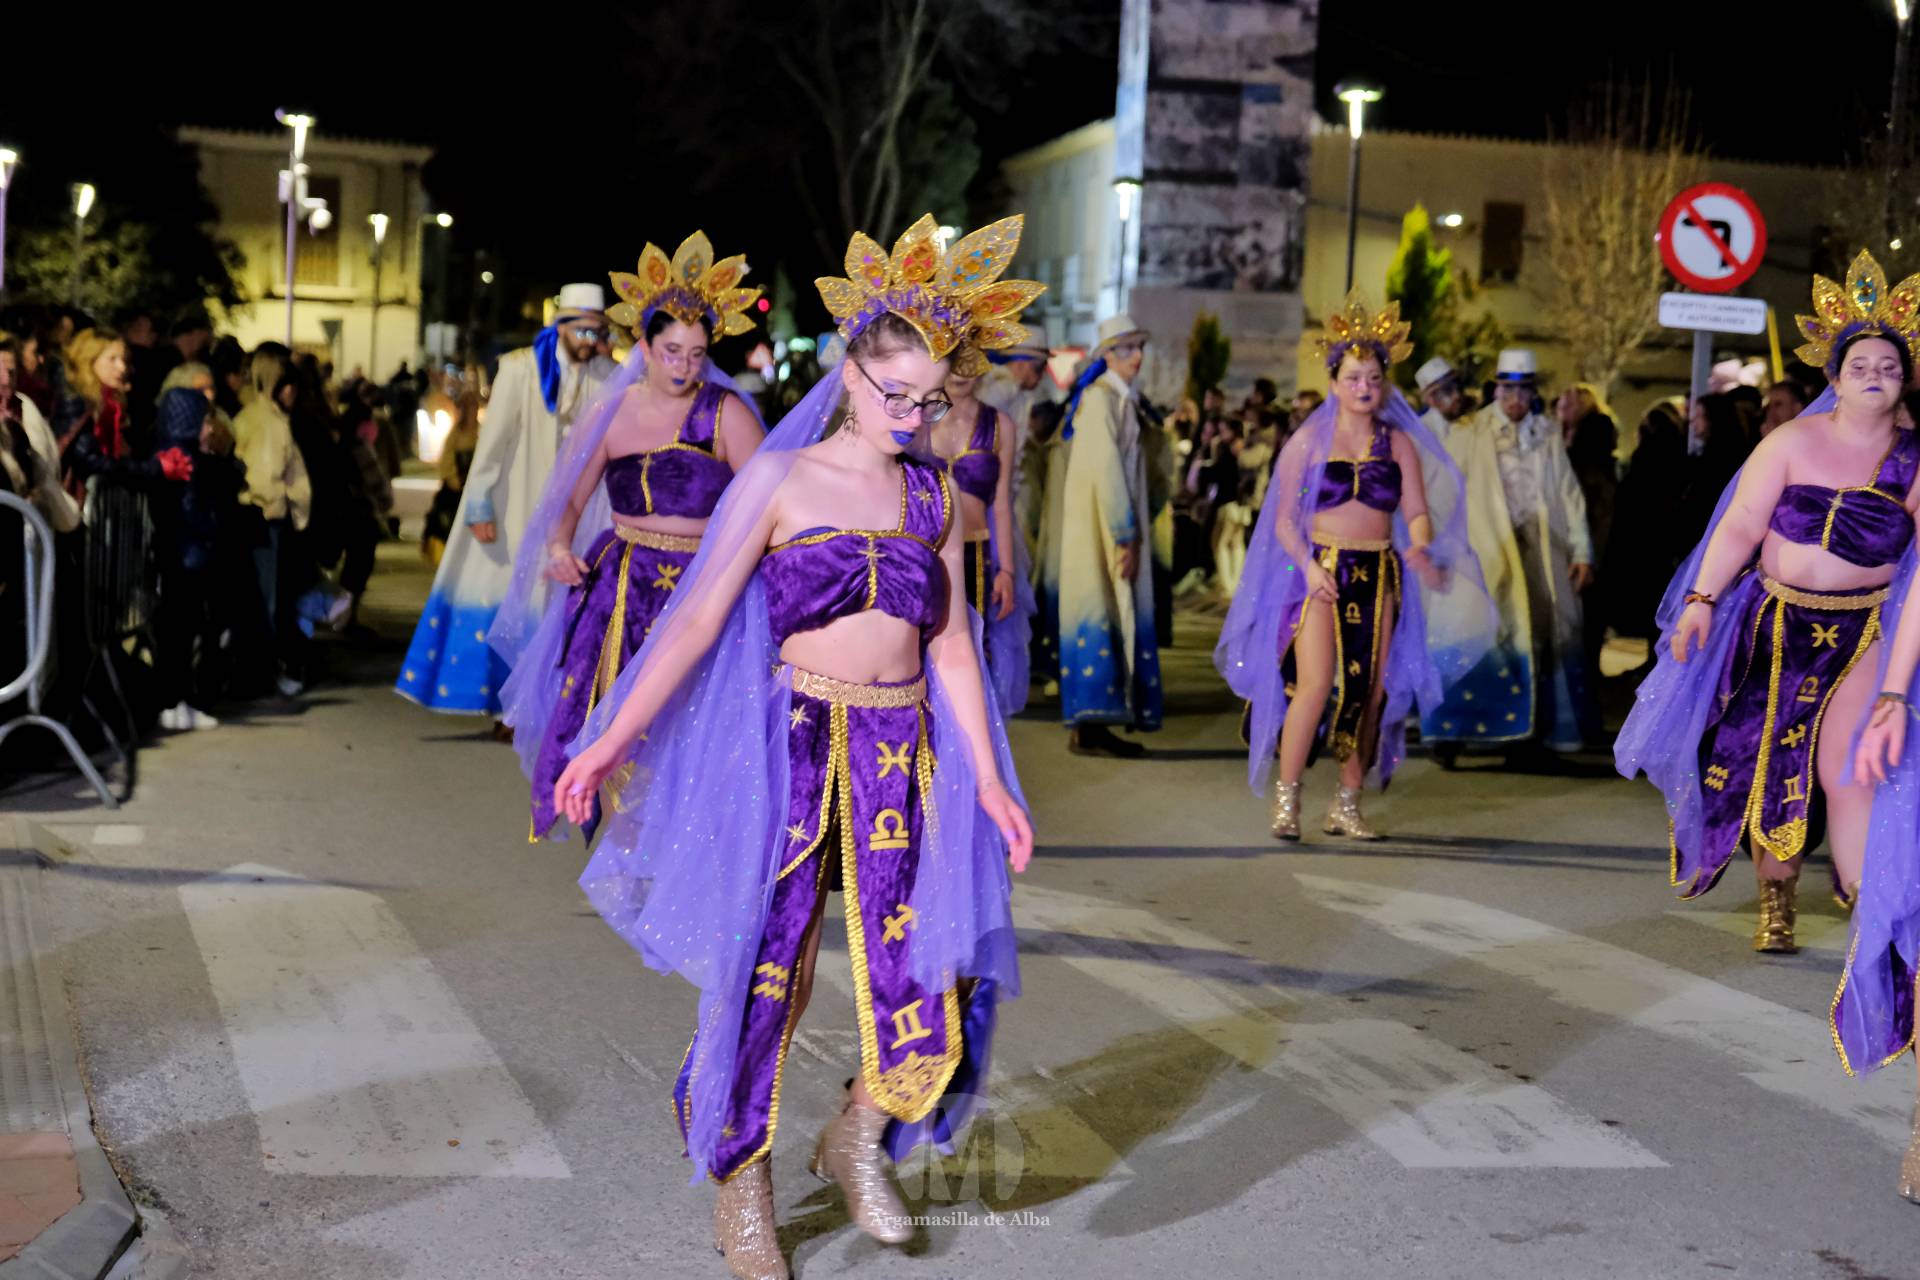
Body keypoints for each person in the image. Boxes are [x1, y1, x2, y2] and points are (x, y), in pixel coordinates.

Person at [549, 214, 1036, 1280]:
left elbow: (951, 643)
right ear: (851, 375)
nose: (914, 416)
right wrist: (604, 740)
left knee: (922, 974)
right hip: (795, 738)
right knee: (774, 967)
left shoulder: (933, 495)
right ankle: (741, 1174)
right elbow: (688, 625)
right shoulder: (777, 481)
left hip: (902, 750)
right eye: (895, 394)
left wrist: (994, 782)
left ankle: (856, 1132)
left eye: (933, 398)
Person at [1619, 250, 1920, 967]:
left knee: (1849, 768)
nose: (1875, 377)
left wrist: (1896, 689)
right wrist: (1700, 600)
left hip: (1868, 627)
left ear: (1905, 377)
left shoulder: (1915, 461)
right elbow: (1739, 528)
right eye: (1861, 367)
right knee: (1767, 761)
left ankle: (1866, 900)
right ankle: (1776, 894)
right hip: (1778, 624)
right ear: (1835, 377)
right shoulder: (1791, 441)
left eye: (1889, 367)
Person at [492, 232, 767, 841]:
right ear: (643, 344)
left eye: (696, 354)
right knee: (613, 710)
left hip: (702, 584)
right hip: (622, 584)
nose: (684, 366)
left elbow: (766, 502)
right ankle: (625, 844)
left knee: (690, 719)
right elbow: (569, 500)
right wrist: (561, 548)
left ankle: (686, 845)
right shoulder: (609, 415)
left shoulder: (728, 413)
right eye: (671, 350)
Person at [1218, 292, 1490, 839]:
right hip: (1319, 572)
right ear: (1335, 381)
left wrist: (1417, 545)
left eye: (1373, 377)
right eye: (1353, 378)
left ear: (1384, 382)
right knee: (1316, 685)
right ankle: (1287, 800)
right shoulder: (1306, 442)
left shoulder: (1401, 445)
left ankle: (1347, 803)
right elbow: (1284, 522)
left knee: (1369, 691)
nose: (1364, 388)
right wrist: (1309, 567)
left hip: (1378, 574)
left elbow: (1415, 509)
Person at [396, 285, 617, 719]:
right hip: (519, 504)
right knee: (508, 595)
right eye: (585, 332)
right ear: (564, 327)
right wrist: (480, 504)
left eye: (598, 333)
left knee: (562, 601)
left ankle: (545, 704)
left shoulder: (607, 375)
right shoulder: (520, 370)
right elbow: (491, 445)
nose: (592, 343)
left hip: (580, 510)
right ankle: (502, 705)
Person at [1420, 349, 1597, 763]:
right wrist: (1441, 548)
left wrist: (1581, 550)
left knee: (1533, 640)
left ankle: (1526, 736)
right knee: (1472, 637)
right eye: (1508, 389)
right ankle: (1451, 734)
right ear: (1496, 389)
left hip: (1537, 550)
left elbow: (1569, 494)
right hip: (1480, 550)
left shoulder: (1547, 433)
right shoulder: (1471, 430)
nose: (1515, 399)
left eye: (1523, 390)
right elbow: (1444, 494)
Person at [1057, 314, 1162, 756]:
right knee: (1100, 610)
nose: (1136, 356)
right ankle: (1092, 723)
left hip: (1106, 528)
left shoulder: (1119, 399)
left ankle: (1099, 722)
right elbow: (1107, 471)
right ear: (1106, 356)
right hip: (1101, 532)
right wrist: (1124, 533)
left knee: (1110, 610)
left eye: (1138, 347)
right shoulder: (1101, 401)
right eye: (1125, 349)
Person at [931, 336, 1038, 714]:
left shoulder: (1000, 425)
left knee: (975, 658)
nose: (963, 366)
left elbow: (1002, 503)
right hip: (923, 557)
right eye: (954, 354)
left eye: (971, 355)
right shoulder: (914, 418)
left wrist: (1007, 569)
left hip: (977, 559)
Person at [148, 388, 246, 731]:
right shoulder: (185, 461)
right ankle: (176, 701)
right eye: (205, 421)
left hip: (186, 558)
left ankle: (180, 701)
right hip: (189, 559)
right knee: (182, 634)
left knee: (182, 635)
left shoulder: (188, 457)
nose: (209, 427)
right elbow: (195, 510)